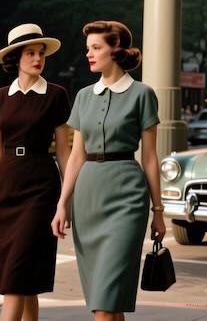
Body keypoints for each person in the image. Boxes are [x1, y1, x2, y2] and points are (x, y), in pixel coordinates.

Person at [51, 20, 165, 321]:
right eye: (88, 48)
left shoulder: (142, 94)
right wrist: (63, 204)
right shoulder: (84, 96)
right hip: (88, 199)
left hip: (127, 197)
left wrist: (158, 211)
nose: (89, 54)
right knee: (107, 303)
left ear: (117, 50)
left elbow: (150, 158)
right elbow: (76, 156)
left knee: (106, 298)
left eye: (96, 48)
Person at [0, 23, 71, 321]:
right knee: (25, 281)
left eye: (41, 53)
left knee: (16, 274)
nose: (38, 58)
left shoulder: (56, 94)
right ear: (16, 58)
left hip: (40, 188)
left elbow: (64, 150)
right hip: (5, 191)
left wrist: (66, 199)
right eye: (31, 53)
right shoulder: (1, 97)